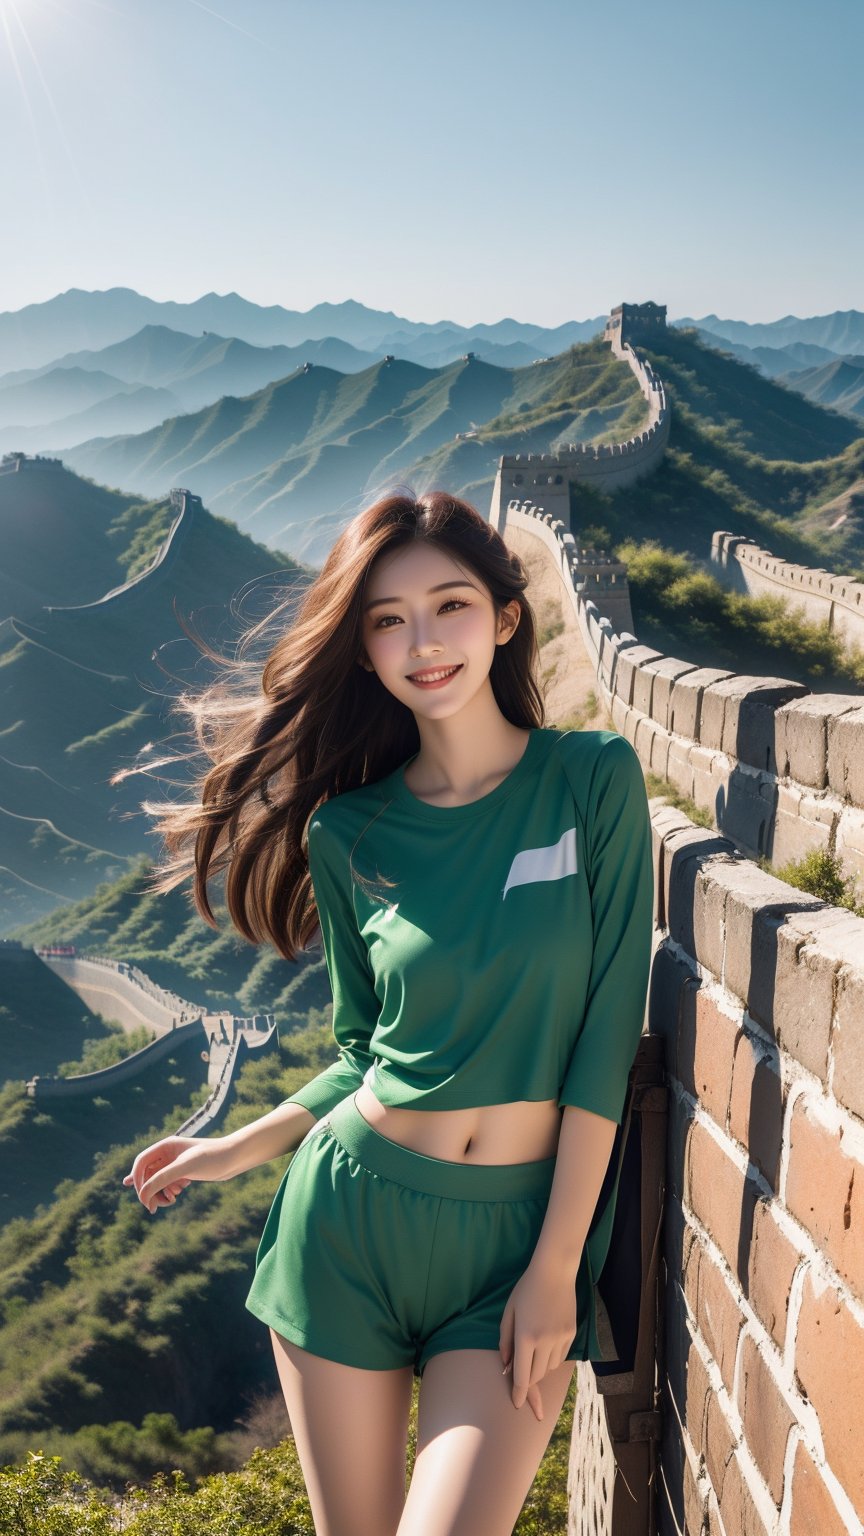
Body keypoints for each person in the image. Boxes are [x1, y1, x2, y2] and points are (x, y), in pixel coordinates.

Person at [123, 489, 654, 1536]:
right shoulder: (350, 833)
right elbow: (368, 1054)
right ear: (361, 647)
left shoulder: (589, 782)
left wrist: (555, 1266)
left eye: (450, 605)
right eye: (386, 618)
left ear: (505, 618)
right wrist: (239, 1148)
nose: (423, 642)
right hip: (349, 1228)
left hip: (512, 1251)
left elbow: (603, 1039)